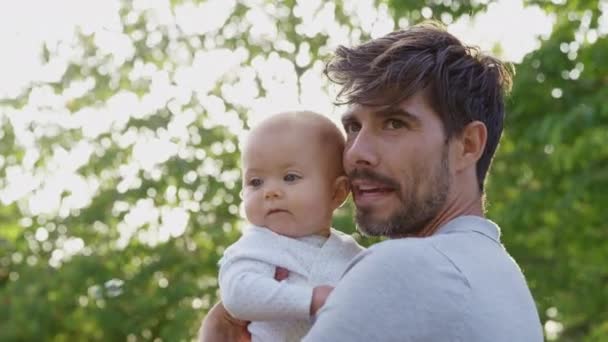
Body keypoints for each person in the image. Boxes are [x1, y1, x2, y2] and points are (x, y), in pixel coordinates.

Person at [200, 21, 543, 341]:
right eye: (353, 127)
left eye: (394, 123)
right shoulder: (504, 278)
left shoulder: (399, 268)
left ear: (467, 146)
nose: (355, 154)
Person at [217, 111, 365, 341]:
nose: (270, 191)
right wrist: (309, 300)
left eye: (290, 177)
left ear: (336, 192)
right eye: (256, 182)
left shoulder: (353, 255)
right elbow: (238, 293)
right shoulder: (255, 246)